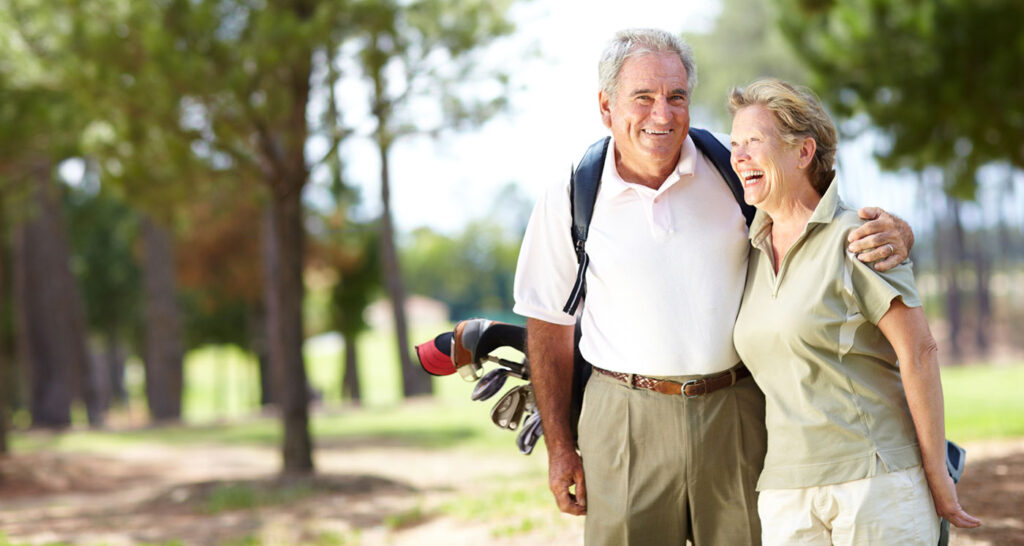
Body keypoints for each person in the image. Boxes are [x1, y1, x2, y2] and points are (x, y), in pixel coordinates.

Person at [512, 29, 915, 545]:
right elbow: (548, 327)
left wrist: (898, 229)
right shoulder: (570, 195)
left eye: (676, 96)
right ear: (606, 107)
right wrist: (560, 449)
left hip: (737, 411)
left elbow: (821, 222)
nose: (663, 114)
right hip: (624, 420)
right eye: (643, 98)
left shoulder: (734, 168)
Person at [728, 78, 982, 545]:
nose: (739, 157)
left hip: (876, 481)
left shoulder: (861, 237)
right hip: (785, 490)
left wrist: (936, 474)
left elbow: (919, 352)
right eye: (735, 144)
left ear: (803, 152)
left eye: (754, 143)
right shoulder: (746, 251)